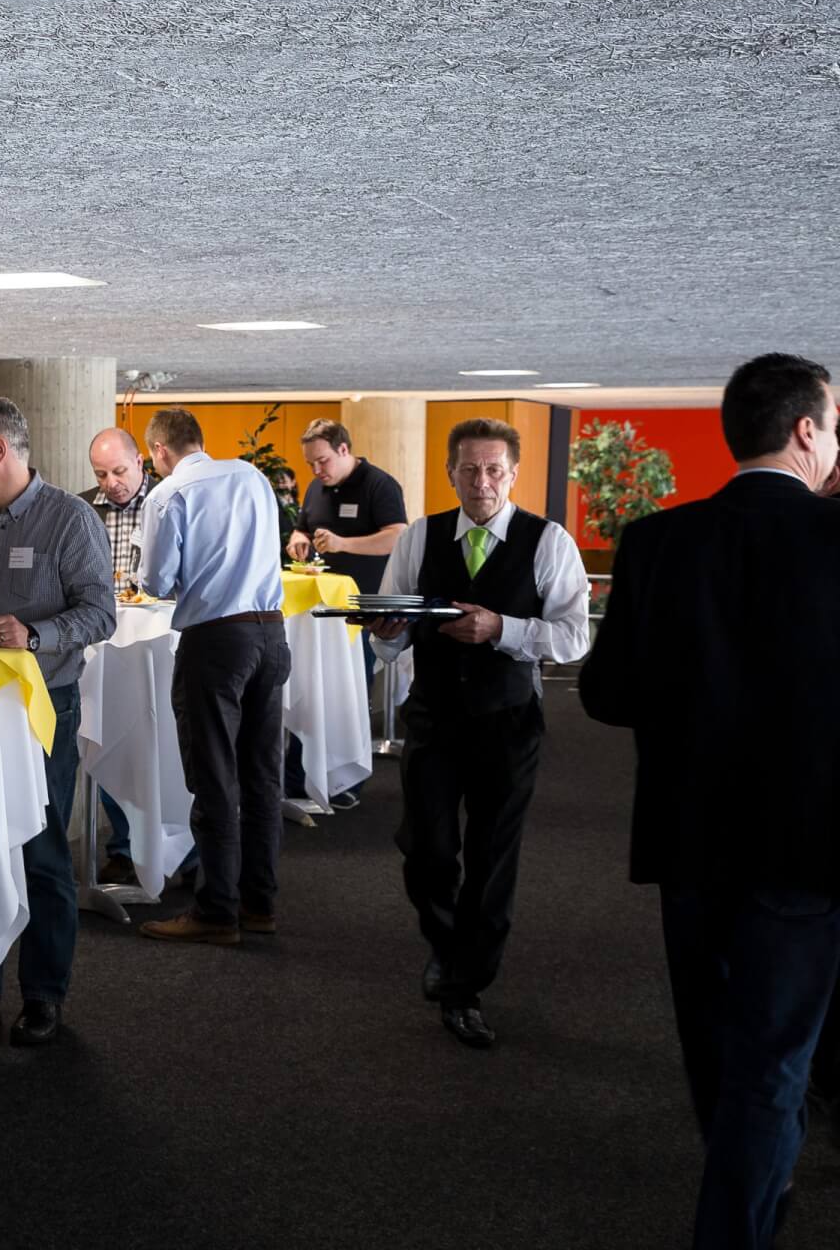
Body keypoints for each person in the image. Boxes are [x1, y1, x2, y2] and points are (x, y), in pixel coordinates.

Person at [581, 353, 840, 1248]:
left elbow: (606, 696)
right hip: (807, 844)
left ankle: (758, 1175)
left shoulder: (657, 540)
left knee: (719, 1044)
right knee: (772, 1059)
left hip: (688, 837)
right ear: (808, 431)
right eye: (832, 421)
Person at [368, 417, 588, 1050]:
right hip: (434, 716)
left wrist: (504, 630)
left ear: (514, 474)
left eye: (494, 469)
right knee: (427, 849)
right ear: (449, 473)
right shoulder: (421, 536)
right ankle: (445, 943)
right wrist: (386, 635)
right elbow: (397, 620)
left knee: (492, 858)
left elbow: (575, 637)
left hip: (508, 721)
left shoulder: (548, 542)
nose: (482, 480)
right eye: (469, 468)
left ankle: (465, 986)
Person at [0, 396, 116, 1044]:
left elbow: (102, 615)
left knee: (42, 854)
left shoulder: (70, 518)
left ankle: (45, 994)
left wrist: (34, 633)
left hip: (43, 706)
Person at [133, 408, 292, 948]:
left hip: (217, 640)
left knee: (215, 774)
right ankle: (259, 903)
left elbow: (155, 581)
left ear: (158, 451)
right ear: (200, 441)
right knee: (262, 776)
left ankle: (216, 909)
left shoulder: (168, 495)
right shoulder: (252, 476)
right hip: (272, 635)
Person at [285, 419, 409, 808]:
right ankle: (297, 780)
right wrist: (299, 540)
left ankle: (344, 781)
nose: (316, 471)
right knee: (305, 691)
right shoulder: (315, 487)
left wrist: (344, 543)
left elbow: (397, 536)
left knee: (347, 694)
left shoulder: (379, 484)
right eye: (310, 464)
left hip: (363, 610)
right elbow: (302, 528)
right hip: (317, 610)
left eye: (321, 461)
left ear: (343, 450)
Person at [79, 427, 174, 887]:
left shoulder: (167, 503)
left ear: (141, 462)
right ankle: (122, 847)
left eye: (119, 470)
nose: (111, 481)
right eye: (101, 473)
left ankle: (178, 849)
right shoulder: (81, 509)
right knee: (110, 740)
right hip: (102, 645)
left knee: (162, 749)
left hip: (158, 644)